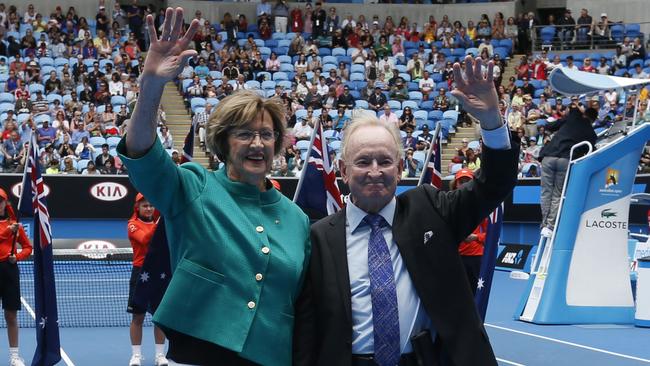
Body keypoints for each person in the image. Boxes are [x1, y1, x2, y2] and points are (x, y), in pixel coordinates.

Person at [294, 55, 519, 366]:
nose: (375, 171)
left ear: (400, 169)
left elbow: (495, 183)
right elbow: (306, 329)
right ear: (343, 171)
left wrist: (492, 120)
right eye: (363, 162)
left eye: (385, 161)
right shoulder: (318, 237)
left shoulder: (431, 209)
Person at [118, 8, 310, 365]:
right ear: (222, 142)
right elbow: (142, 154)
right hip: (200, 354)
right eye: (244, 134)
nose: (257, 143)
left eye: (267, 134)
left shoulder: (297, 219)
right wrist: (152, 85)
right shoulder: (194, 187)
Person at [538, 106, 598, 236]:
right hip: (565, 160)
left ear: (584, 114)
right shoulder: (591, 132)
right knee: (557, 194)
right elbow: (590, 152)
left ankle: (544, 224)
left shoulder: (573, 118)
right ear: (594, 120)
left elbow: (551, 125)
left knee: (546, 193)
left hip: (548, 157)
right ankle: (549, 226)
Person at [127, 194, 167, 366]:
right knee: (138, 316)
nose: (149, 208)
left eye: (151, 205)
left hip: (160, 273)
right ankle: (136, 356)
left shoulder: (162, 225)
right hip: (141, 272)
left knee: (160, 317)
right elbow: (144, 239)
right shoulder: (133, 225)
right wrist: (159, 223)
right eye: (145, 206)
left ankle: (160, 356)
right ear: (138, 207)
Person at [0, 188, 32, 366]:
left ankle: (14, 356)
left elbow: (28, 247)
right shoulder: (11, 228)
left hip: (9, 270)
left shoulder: (14, 224)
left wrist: (17, 257)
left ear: (6, 203)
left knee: (11, 315)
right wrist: (8, 232)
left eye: (0, 201)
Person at [452, 169, 488, 295]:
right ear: (455, 184)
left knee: (474, 294)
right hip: (454, 257)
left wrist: (475, 237)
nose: (464, 184)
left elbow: (490, 236)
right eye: (461, 182)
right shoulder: (448, 204)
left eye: (467, 181)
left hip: (475, 258)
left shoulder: (480, 206)